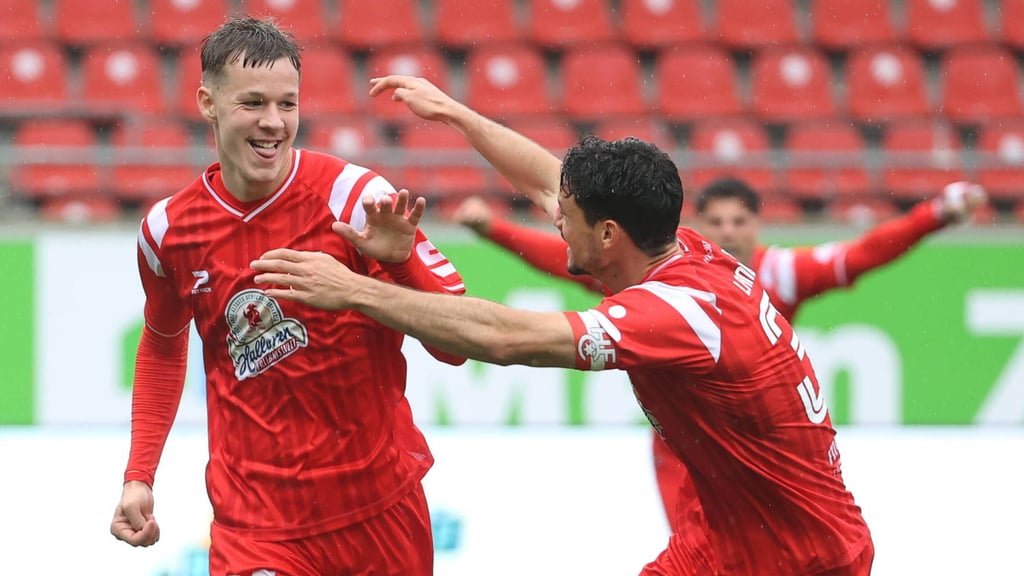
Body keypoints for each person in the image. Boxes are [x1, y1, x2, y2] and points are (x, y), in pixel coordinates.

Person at [251, 75, 875, 575]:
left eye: (566, 217)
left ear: (606, 235)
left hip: (802, 561)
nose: (555, 218)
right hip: (729, 539)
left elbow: (506, 339)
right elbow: (547, 179)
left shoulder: (675, 311)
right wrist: (457, 116)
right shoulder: (672, 243)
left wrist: (352, 290)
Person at [108, 20, 466, 576]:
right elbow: (161, 346)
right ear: (208, 102)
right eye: (252, 102)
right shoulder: (167, 231)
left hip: (377, 510)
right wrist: (139, 473)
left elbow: (456, 344)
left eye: (287, 104)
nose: (273, 123)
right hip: (255, 525)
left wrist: (398, 265)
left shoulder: (356, 199)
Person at [445, 176, 987, 533]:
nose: (728, 232)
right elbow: (568, 254)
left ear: (758, 226)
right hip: (684, 443)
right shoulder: (667, 278)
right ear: (698, 227)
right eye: (719, 222)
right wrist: (496, 229)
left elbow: (865, 253)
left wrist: (937, 214)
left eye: (740, 222)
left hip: (751, 440)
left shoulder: (779, 273)